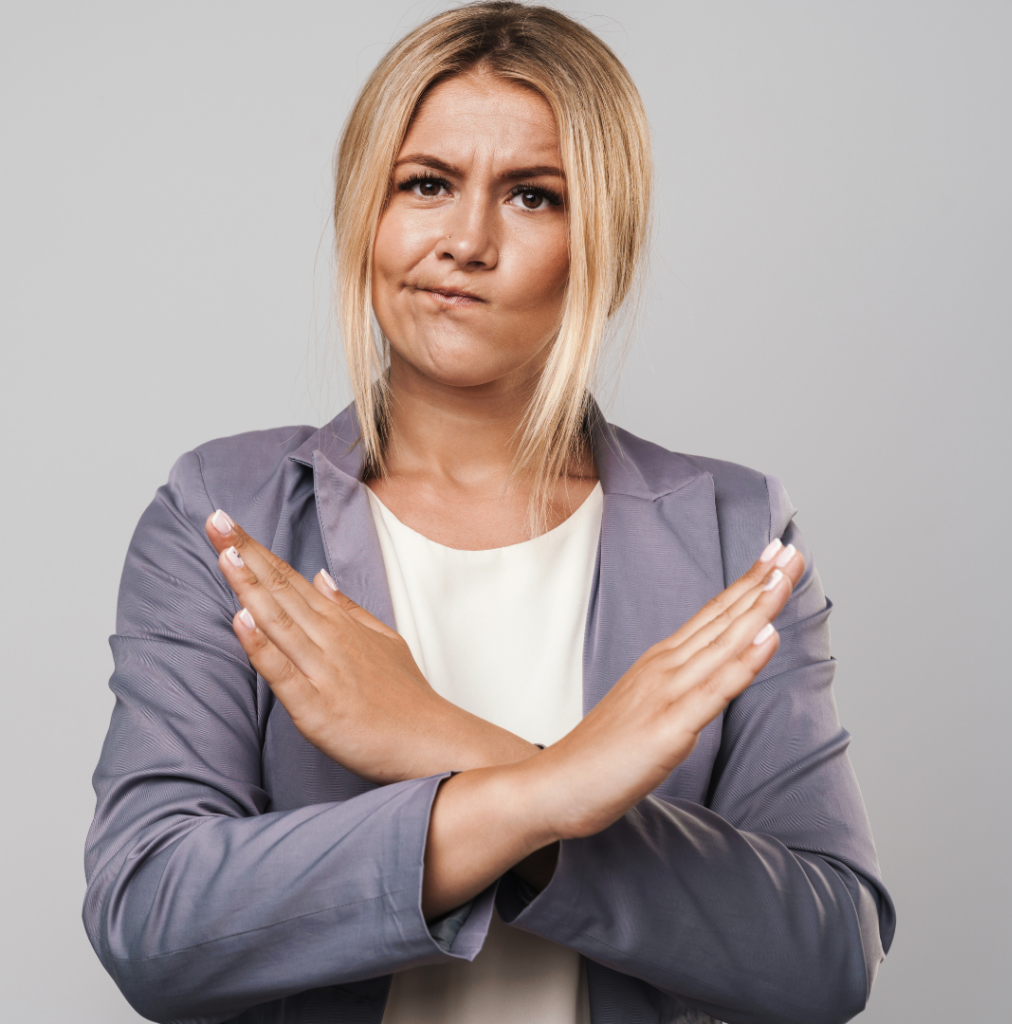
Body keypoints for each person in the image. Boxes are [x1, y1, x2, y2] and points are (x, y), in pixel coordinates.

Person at [83, 4, 895, 1023]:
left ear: (605, 236)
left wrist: (429, 733)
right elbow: (152, 919)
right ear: (364, 210)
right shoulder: (224, 512)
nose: (465, 241)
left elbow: (825, 954)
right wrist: (548, 789)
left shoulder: (734, 532)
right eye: (426, 184)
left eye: (532, 196)